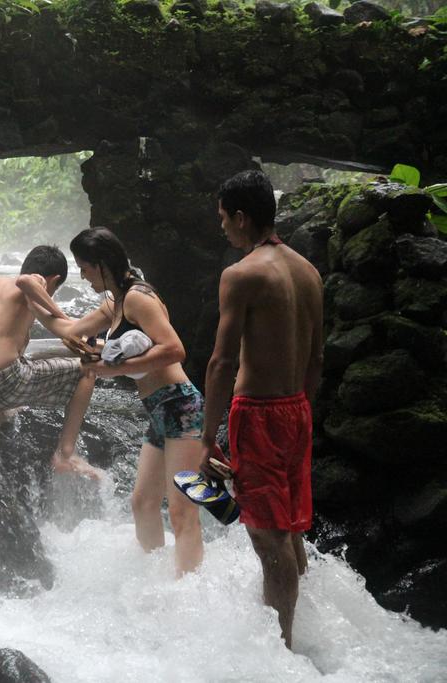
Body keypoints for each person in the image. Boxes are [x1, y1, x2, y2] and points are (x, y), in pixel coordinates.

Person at [22, 227, 205, 576]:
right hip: (159, 412)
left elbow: (174, 349)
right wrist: (29, 297)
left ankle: (190, 591)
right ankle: (157, 579)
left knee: (183, 511)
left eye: (85, 268)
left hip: (180, 407)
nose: (83, 275)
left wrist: (112, 367)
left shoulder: (138, 298)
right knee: (143, 503)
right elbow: (70, 329)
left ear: (103, 265)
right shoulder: (115, 303)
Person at [199, 170, 323, 648]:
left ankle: (282, 653)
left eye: (223, 219)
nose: (222, 228)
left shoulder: (242, 274)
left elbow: (222, 361)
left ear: (242, 217)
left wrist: (207, 437)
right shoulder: (308, 272)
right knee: (288, 529)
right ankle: (298, 632)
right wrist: (302, 414)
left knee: (268, 540)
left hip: (258, 413)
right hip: (297, 408)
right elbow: (317, 358)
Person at [0, 245, 100, 479]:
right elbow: (26, 281)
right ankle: (66, 453)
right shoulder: (35, 281)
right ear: (54, 280)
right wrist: (62, 317)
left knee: (19, 351)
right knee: (89, 370)